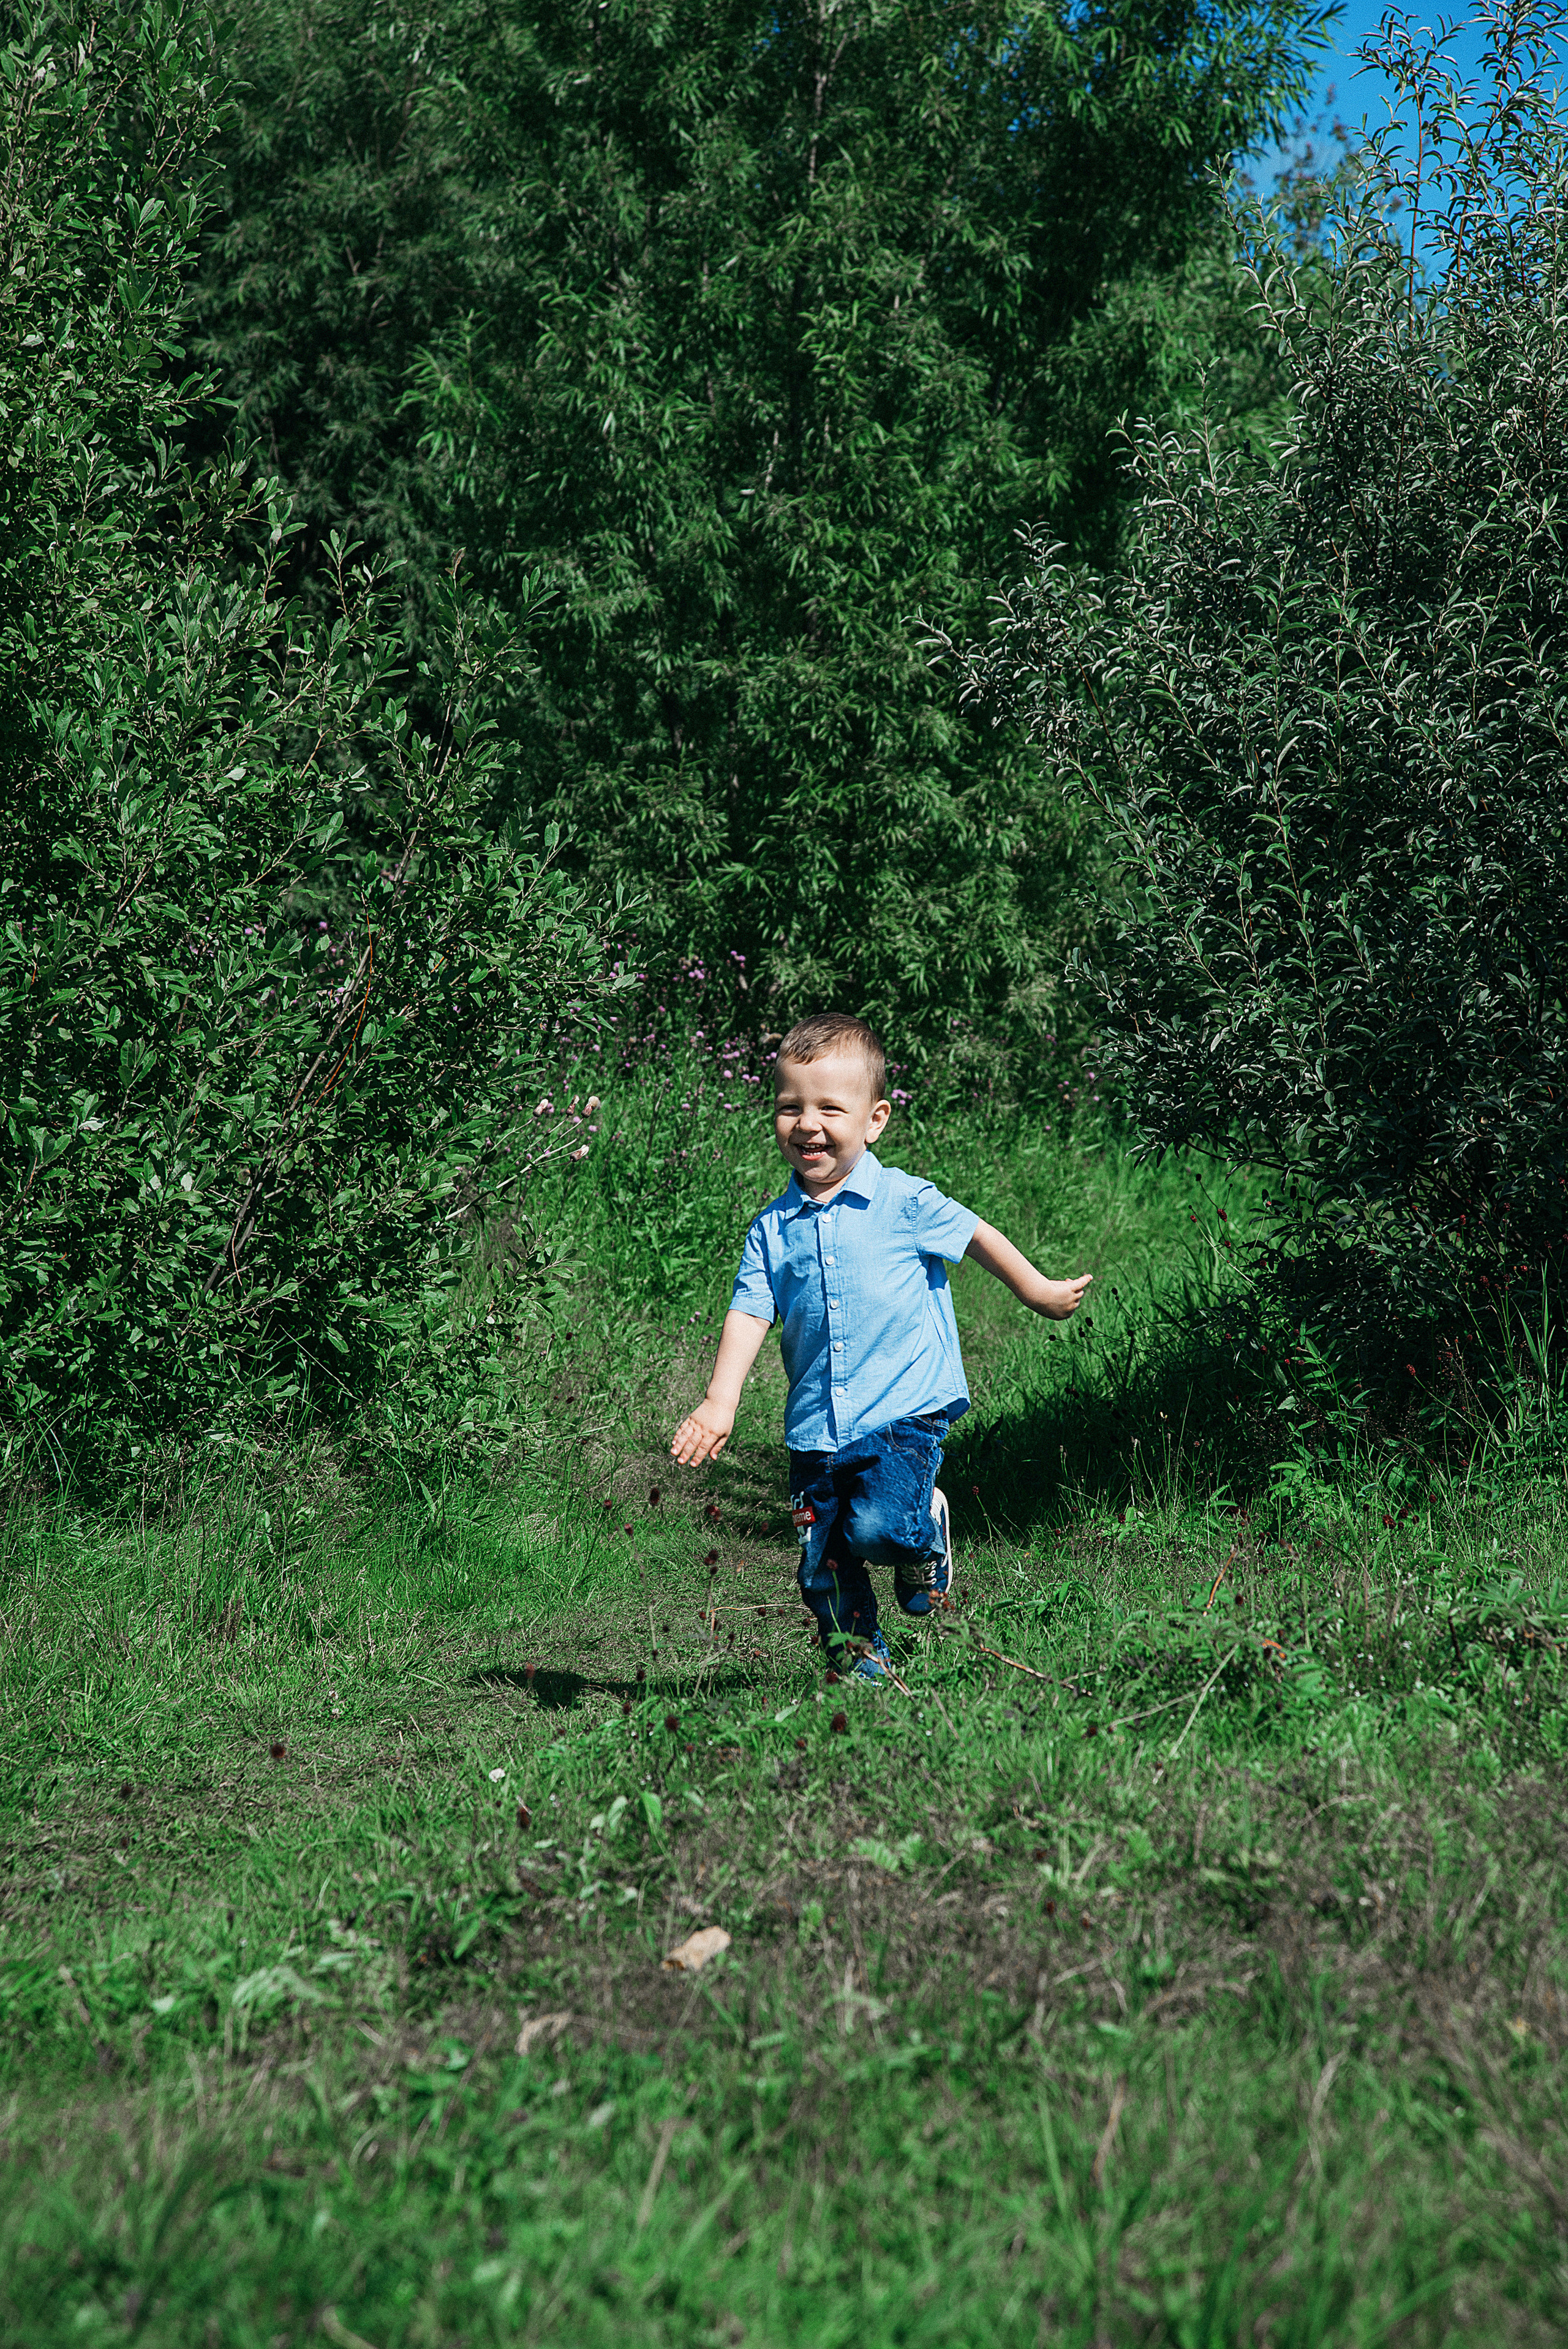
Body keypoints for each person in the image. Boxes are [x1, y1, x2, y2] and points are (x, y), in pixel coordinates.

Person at [670, 1012, 1092, 1681]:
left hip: (901, 1412)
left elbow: (975, 1235)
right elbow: (749, 1311)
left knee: (878, 1529)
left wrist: (1036, 1290)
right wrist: (720, 1401)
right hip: (815, 1429)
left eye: (829, 1109)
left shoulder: (903, 1201)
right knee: (823, 1562)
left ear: (875, 1120)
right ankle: (861, 1665)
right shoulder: (771, 1229)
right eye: (790, 1106)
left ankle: (923, 1533)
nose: (807, 1124)